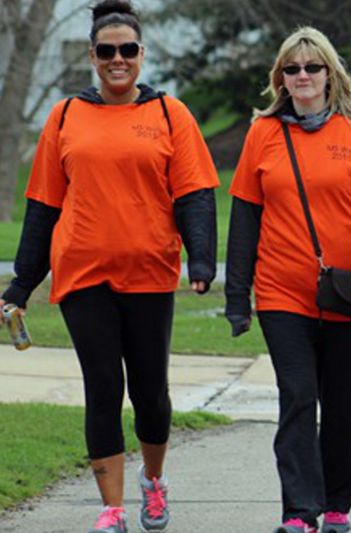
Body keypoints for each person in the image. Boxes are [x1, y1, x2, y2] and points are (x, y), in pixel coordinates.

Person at [0, 1, 219, 532]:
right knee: (102, 386)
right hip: (82, 274)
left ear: (141, 55)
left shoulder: (170, 114)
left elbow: (194, 194)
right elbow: (44, 206)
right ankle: (112, 508)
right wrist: (20, 284)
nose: (117, 59)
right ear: (93, 58)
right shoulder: (65, 116)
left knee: (150, 390)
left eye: (127, 50)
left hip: (148, 271)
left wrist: (202, 258)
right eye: (106, 51)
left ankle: (154, 483)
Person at [225, 25, 351, 533]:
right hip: (283, 292)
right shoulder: (263, 133)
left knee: (343, 404)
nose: (302, 76)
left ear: (330, 73)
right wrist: (238, 297)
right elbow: (243, 219)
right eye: (292, 68)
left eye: (312, 67)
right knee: (299, 396)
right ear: (280, 77)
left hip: (347, 293)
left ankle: (336, 505)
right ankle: (300, 510)